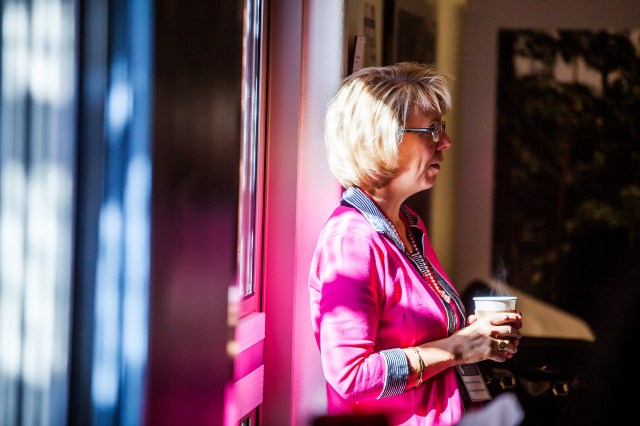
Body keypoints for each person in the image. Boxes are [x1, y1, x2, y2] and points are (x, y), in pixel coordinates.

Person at [308, 62, 523, 425]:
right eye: (433, 129)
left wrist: (477, 338)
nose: (446, 142)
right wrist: (458, 349)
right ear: (382, 139)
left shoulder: (408, 225)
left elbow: (421, 337)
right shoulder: (352, 241)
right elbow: (351, 377)